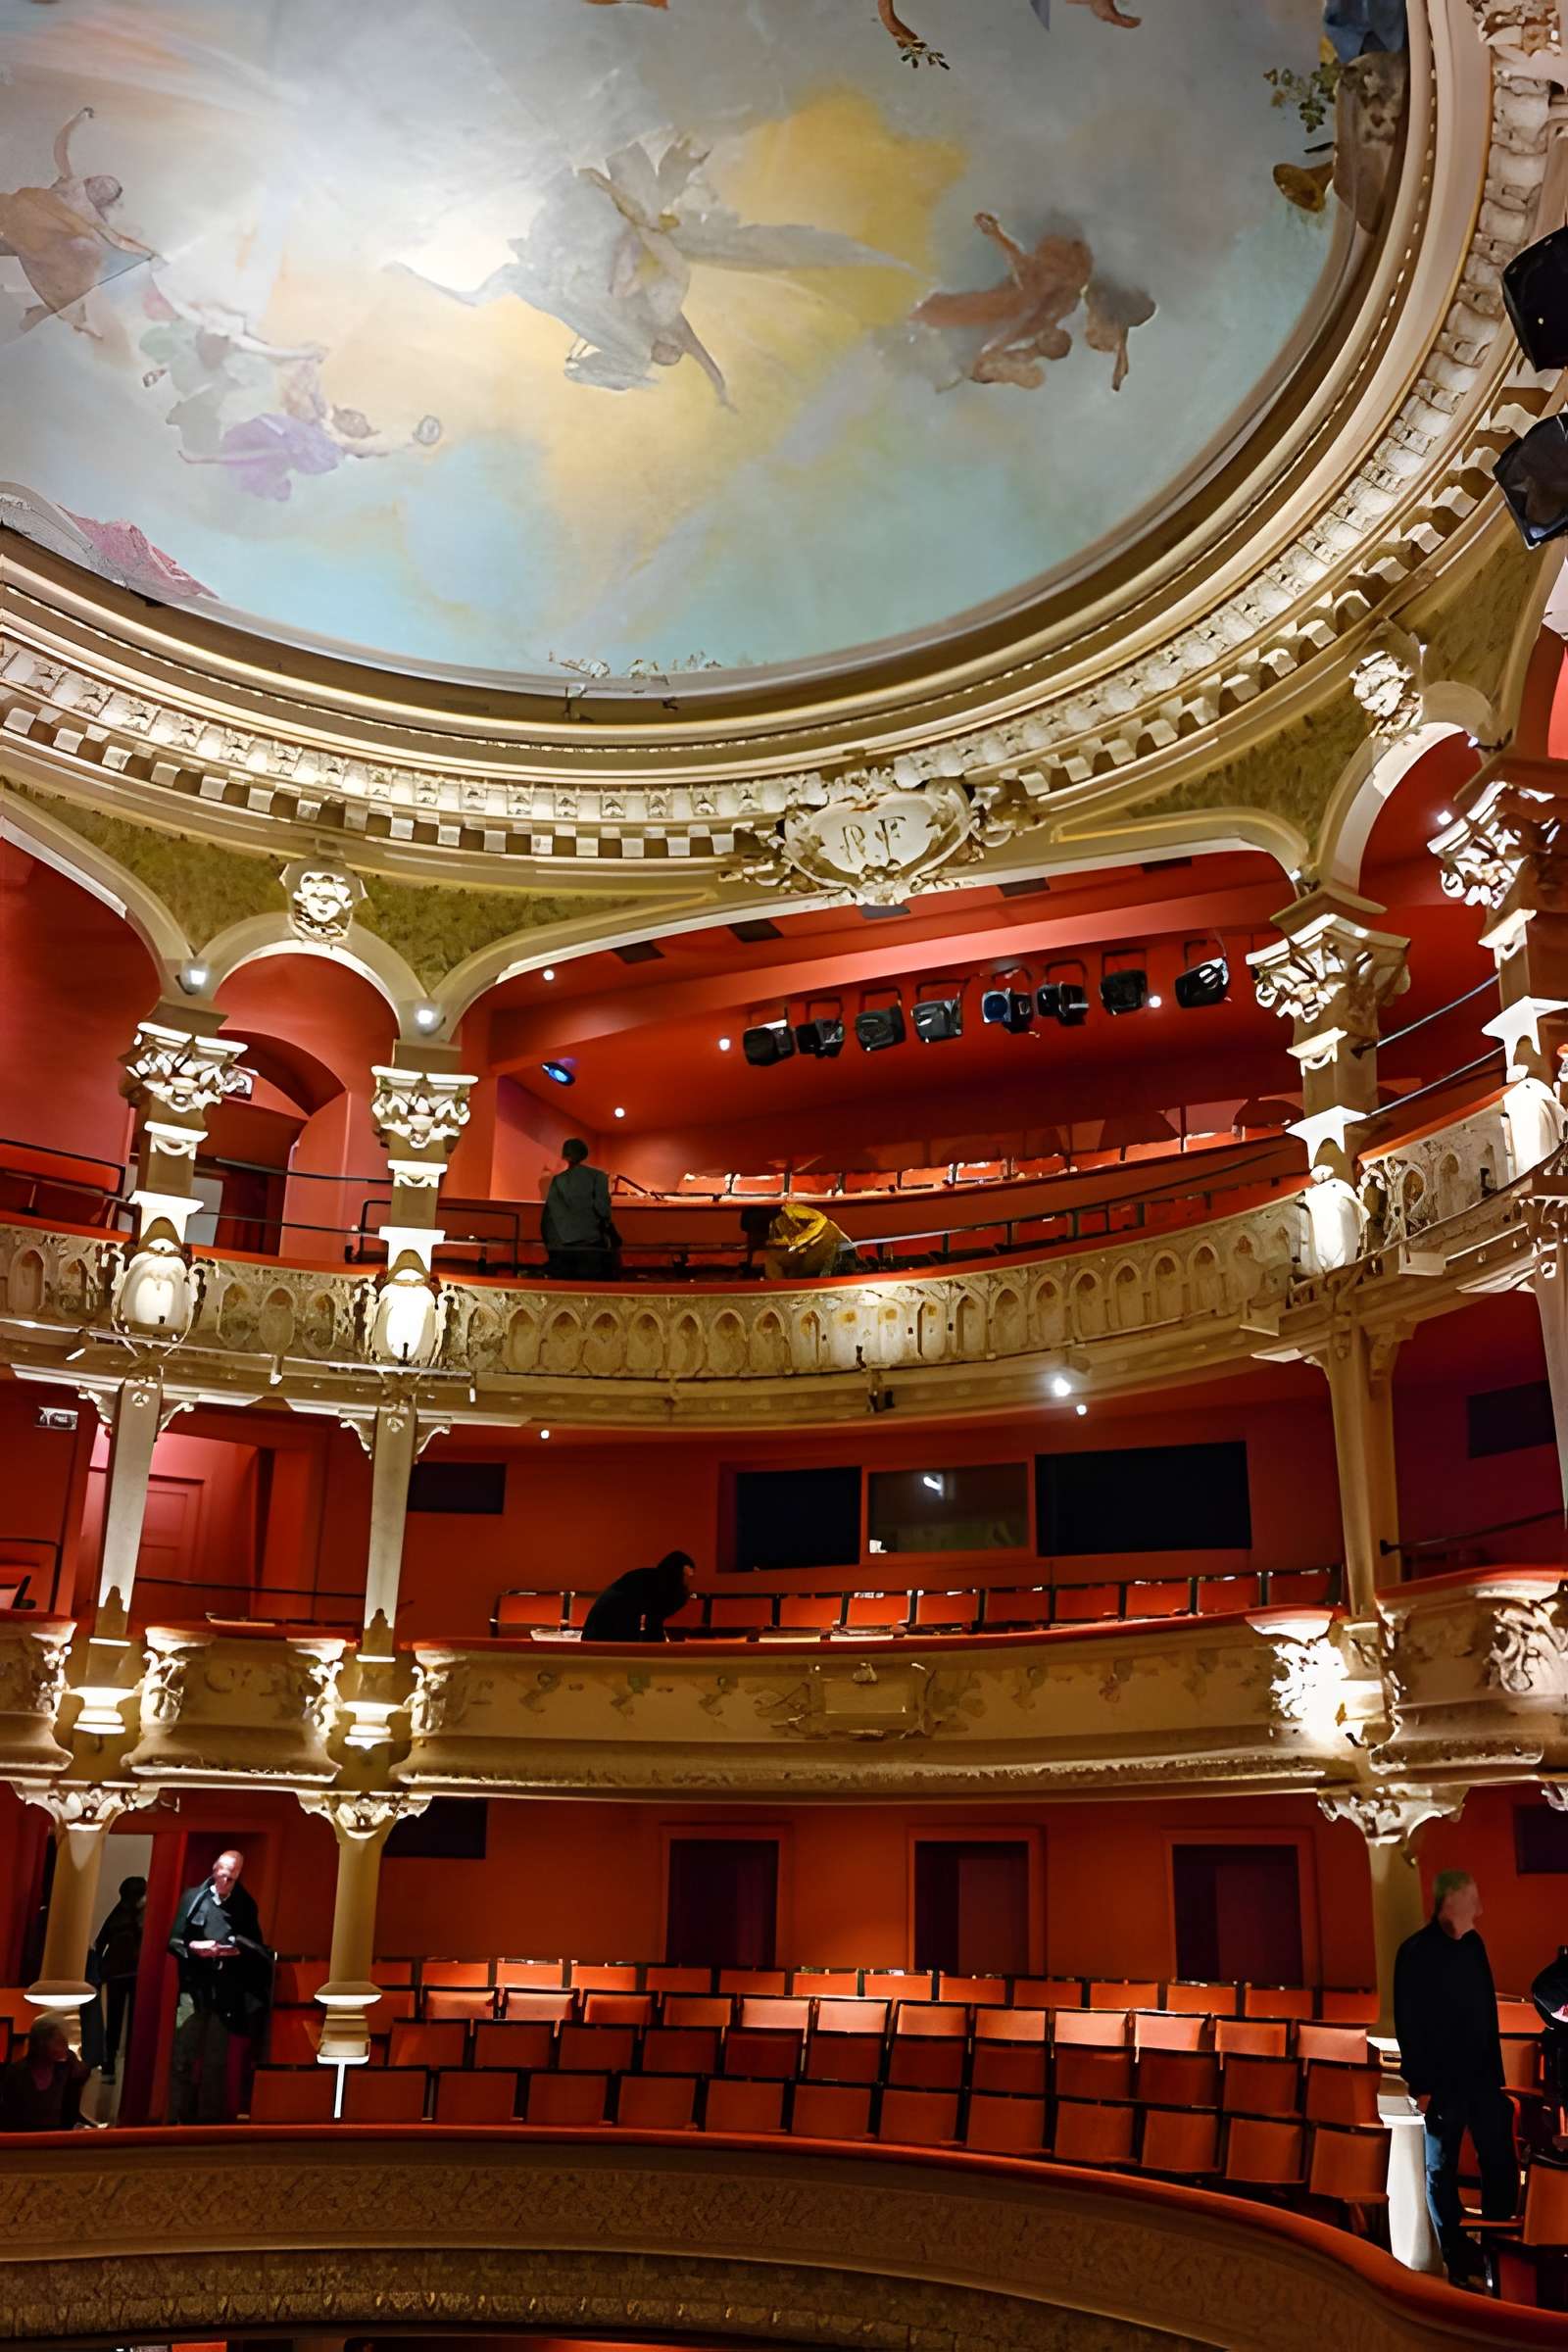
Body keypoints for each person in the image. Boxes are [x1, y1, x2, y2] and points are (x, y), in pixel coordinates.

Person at [1394, 1870, 1517, 2281]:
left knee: (1499, 2163)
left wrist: (1495, 2078)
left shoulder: (1473, 1946)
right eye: (1472, 1897)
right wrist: (1421, 2085)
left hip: (1481, 2078)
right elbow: (1408, 2023)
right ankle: (1458, 2260)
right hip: (1442, 2083)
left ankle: (1496, 2254)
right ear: (1450, 1901)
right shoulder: (1415, 1952)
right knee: (1440, 2172)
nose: (1479, 1907)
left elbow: (1486, 2015)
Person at [167, 1848, 272, 2126]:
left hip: (225, 1991)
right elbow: (173, 1941)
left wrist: (235, 1951)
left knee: (216, 2060)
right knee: (184, 2054)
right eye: (222, 1874)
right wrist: (196, 1947)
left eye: (232, 1877)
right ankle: (179, 2117)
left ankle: (208, 2121)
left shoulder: (245, 1905)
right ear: (214, 1870)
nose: (225, 1881)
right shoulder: (193, 1898)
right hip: (194, 1989)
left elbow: (255, 1947)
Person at [92, 1873, 146, 2082]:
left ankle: (109, 2063)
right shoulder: (140, 1918)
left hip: (114, 1974)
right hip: (134, 1974)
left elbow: (99, 1943)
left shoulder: (116, 1915)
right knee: (134, 2020)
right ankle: (131, 2063)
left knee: (114, 2020)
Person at [542, 1138, 619, 1279]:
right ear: (585, 1154)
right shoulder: (598, 1176)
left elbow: (552, 1211)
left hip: (562, 1244)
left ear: (564, 1155)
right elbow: (603, 1209)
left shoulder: (558, 1180)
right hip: (592, 1243)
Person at [0, 2014, 89, 2131]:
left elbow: (76, 2111)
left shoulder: (67, 2070)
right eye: (58, 2042)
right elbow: (7, 2116)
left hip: (59, 2140)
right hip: (22, 2141)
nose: (65, 2047)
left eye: (64, 2041)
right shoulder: (16, 2072)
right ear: (41, 2042)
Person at [582, 1551, 697, 1642]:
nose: (689, 1582)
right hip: (606, 1636)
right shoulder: (661, 1584)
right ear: (681, 1573)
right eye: (688, 1576)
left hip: (595, 1633)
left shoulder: (649, 1577)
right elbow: (653, 1622)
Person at [760, 1201, 856, 1281]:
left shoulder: (791, 1210)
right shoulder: (773, 1228)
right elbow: (780, 1246)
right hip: (809, 1251)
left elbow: (820, 1220)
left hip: (827, 1238)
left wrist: (801, 1240)